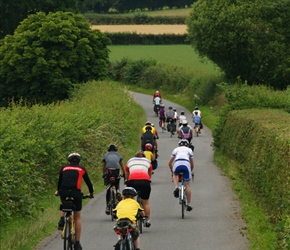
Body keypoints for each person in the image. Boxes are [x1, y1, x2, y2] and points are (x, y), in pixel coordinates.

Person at [55, 152, 94, 250]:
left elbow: (60, 182)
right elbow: (88, 183)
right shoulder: (81, 169)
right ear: (79, 162)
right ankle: (77, 242)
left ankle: (62, 218)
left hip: (63, 192)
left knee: (64, 203)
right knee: (77, 217)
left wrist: (58, 191)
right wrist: (91, 194)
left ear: (69, 161)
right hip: (75, 193)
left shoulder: (64, 168)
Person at [125, 151, 152, 227]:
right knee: (145, 202)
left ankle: (130, 219)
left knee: (130, 201)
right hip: (144, 181)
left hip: (132, 181)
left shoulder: (130, 160)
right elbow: (150, 172)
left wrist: (127, 180)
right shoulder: (147, 161)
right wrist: (148, 180)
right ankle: (147, 220)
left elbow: (127, 172)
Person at [168, 139, 194, 211]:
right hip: (186, 165)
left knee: (175, 174)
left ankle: (176, 187)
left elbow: (169, 163)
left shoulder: (176, 149)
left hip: (177, 163)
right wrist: (190, 171)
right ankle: (189, 204)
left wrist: (172, 171)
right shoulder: (189, 150)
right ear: (187, 145)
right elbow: (192, 164)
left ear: (179, 145)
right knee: (187, 185)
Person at [102, 144, 125, 215]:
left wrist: (103, 174)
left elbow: (104, 166)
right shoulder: (118, 155)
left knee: (109, 187)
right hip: (116, 171)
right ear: (116, 150)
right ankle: (117, 191)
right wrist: (124, 174)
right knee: (116, 183)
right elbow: (122, 165)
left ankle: (108, 207)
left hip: (109, 171)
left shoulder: (106, 155)